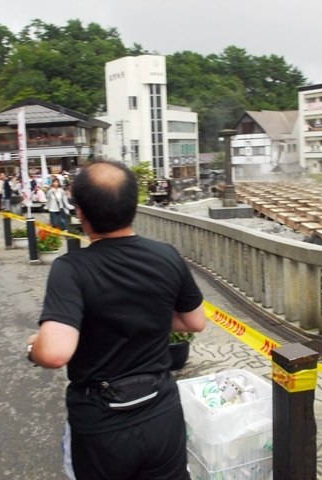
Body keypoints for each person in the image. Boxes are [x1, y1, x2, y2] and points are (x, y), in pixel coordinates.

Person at [27, 160, 206, 480]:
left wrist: (32, 348)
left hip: (101, 425)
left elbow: (54, 352)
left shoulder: (71, 269)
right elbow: (194, 322)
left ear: (79, 212)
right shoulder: (166, 255)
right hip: (161, 412)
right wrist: (144, 318)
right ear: (133, 205)